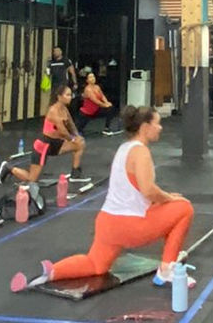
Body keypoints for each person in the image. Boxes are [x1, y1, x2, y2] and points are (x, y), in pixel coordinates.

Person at [12, 105, 195, 292]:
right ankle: (167, 269)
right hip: (129, 226)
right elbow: (148, 190)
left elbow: (137, 190)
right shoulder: (141, 151)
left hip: (107, 224)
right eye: (158, 123)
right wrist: (169, 198)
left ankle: (49, 272)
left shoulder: (123, 149)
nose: (160, 128)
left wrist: (163, 199)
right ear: (145, 127)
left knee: (96, 265)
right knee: (184, 208)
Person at [0, 83, 89, 186]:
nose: (70, 97)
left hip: (56, 143)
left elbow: (71, 125)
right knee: (32, 179)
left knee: (80, 144)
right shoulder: (53, 110)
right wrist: (72, 139)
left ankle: (75, 174)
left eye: (70, 95)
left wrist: (77, 136)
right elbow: (62, 130)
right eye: (67, 95)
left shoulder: (64, 109)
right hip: (43, 145)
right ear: (59, 97)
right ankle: (9, 167)